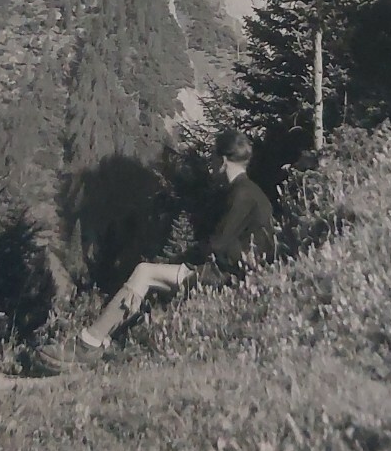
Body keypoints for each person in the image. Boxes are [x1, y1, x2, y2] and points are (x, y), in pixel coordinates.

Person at [38, 129, 275, 370]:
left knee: (144, 272)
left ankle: (90, 344)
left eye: (213, 159)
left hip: (227, 277)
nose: (211, 165)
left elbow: (217, 244)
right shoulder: (251, 192)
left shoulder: (241, 194)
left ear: (222, 161)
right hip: (241, 274)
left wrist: (181, 258)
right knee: (149, 278)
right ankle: (106, 343)